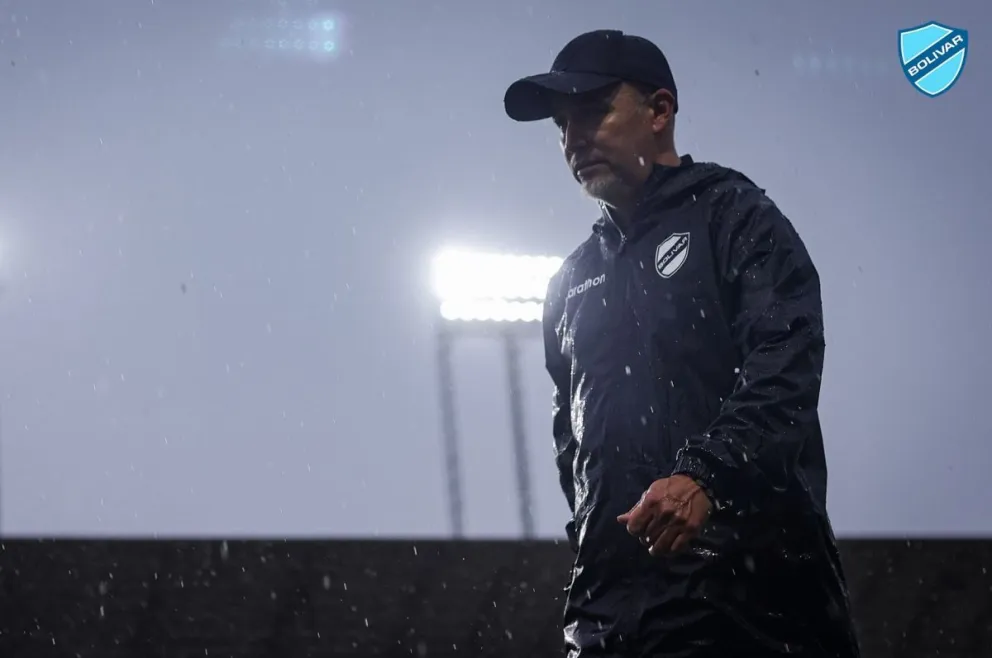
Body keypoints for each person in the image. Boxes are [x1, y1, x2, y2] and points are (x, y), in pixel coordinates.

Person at [503, 30, 862, 658]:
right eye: (561, 124)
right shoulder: (570, 282)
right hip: (614, 621)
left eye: (593, 112)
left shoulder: (733, 218)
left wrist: (704, 477)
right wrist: (592, 553)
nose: (572, 139)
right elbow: (574, 448)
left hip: (750, 607)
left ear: (660, 110)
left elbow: (786, 367)